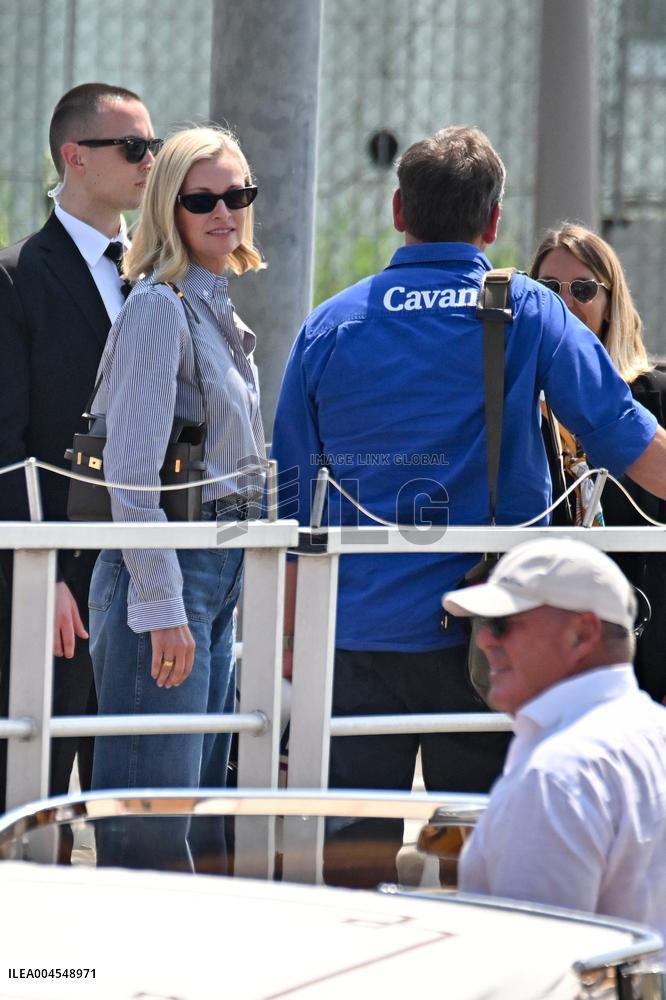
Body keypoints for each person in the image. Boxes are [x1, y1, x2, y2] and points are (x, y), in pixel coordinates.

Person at [270, 125, 666, 885]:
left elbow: (292, 493)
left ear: (397, 210)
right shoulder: (527, 308)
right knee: (484, 851)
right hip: (491, 634)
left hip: (355, 632)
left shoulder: (331, 322)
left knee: (352, 854)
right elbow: (626, 438)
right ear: (491, 223)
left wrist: (291, 637)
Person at [89, 125, 265, 871]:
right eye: (203, 199)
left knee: (197, 817)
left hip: (216, 566)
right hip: (168, 572)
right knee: (152, 830)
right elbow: (130, 473)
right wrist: (160, 605)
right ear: (170, 207)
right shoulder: (159, 308)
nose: (224, 212)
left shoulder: (218, 311)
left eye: (238, 195)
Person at [0, 82, 159, 814]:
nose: (150, 161)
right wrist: (46, 571)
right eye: (133, 147)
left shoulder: (160, 274)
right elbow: (6, 442)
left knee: (133, 807)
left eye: (153, 147)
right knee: (30, 799)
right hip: (55, 584)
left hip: (145, 577)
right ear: (76, 158)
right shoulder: (15, 275)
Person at [443, 537, 666, 949]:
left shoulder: (558, 775)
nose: (484, 640)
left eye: (502, 624)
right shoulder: (649, 733)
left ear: (582, 634)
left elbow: (531, 967)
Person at [530, 223, 666, 703]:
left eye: (583, 289)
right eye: (547, 290)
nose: (564, 303)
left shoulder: (655, 397)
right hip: (547, 645)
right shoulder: (517, 407)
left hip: (649, 644)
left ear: (611, 304)